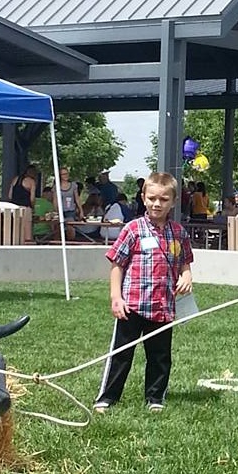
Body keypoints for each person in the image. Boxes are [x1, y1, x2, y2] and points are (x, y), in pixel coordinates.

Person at [93, 171, 193, 414]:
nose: (157, 204)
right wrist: (116, 297)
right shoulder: (133, 229)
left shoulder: (179, 233)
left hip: (162, 306)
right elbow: (117, 264)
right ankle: (108, 397)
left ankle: (155, 397)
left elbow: (185, 262)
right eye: (152, 198)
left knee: (159, 356)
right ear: (143, 198)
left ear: (173, 201)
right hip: (133, 305)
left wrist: (187, 276)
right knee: (121, 354)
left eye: (164, 199)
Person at [53, 166, 84, 241]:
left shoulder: (73, 185)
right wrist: (55, 211)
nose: (65, 175)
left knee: (71, 229)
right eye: (63, 174)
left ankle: (71, 244)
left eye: (66, 174)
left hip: (70, 210)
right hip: (60, 211)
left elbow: (77, 198)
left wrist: (81, 211)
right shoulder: (56, 186)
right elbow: (55, 200)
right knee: (58, 230)